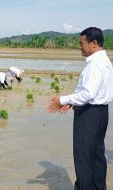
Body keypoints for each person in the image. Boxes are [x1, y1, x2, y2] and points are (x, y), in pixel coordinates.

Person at [47, 27, 113, 190]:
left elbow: (89, 93)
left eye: (81, 43)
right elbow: (92, 92)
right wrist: (73, 102)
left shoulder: (95, 65)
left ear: (94, 43)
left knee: (84, 156)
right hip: (101, 113)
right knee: (97, 155)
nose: (79, 47)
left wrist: (63, 100)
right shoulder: (105, 61)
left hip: (89, 114)